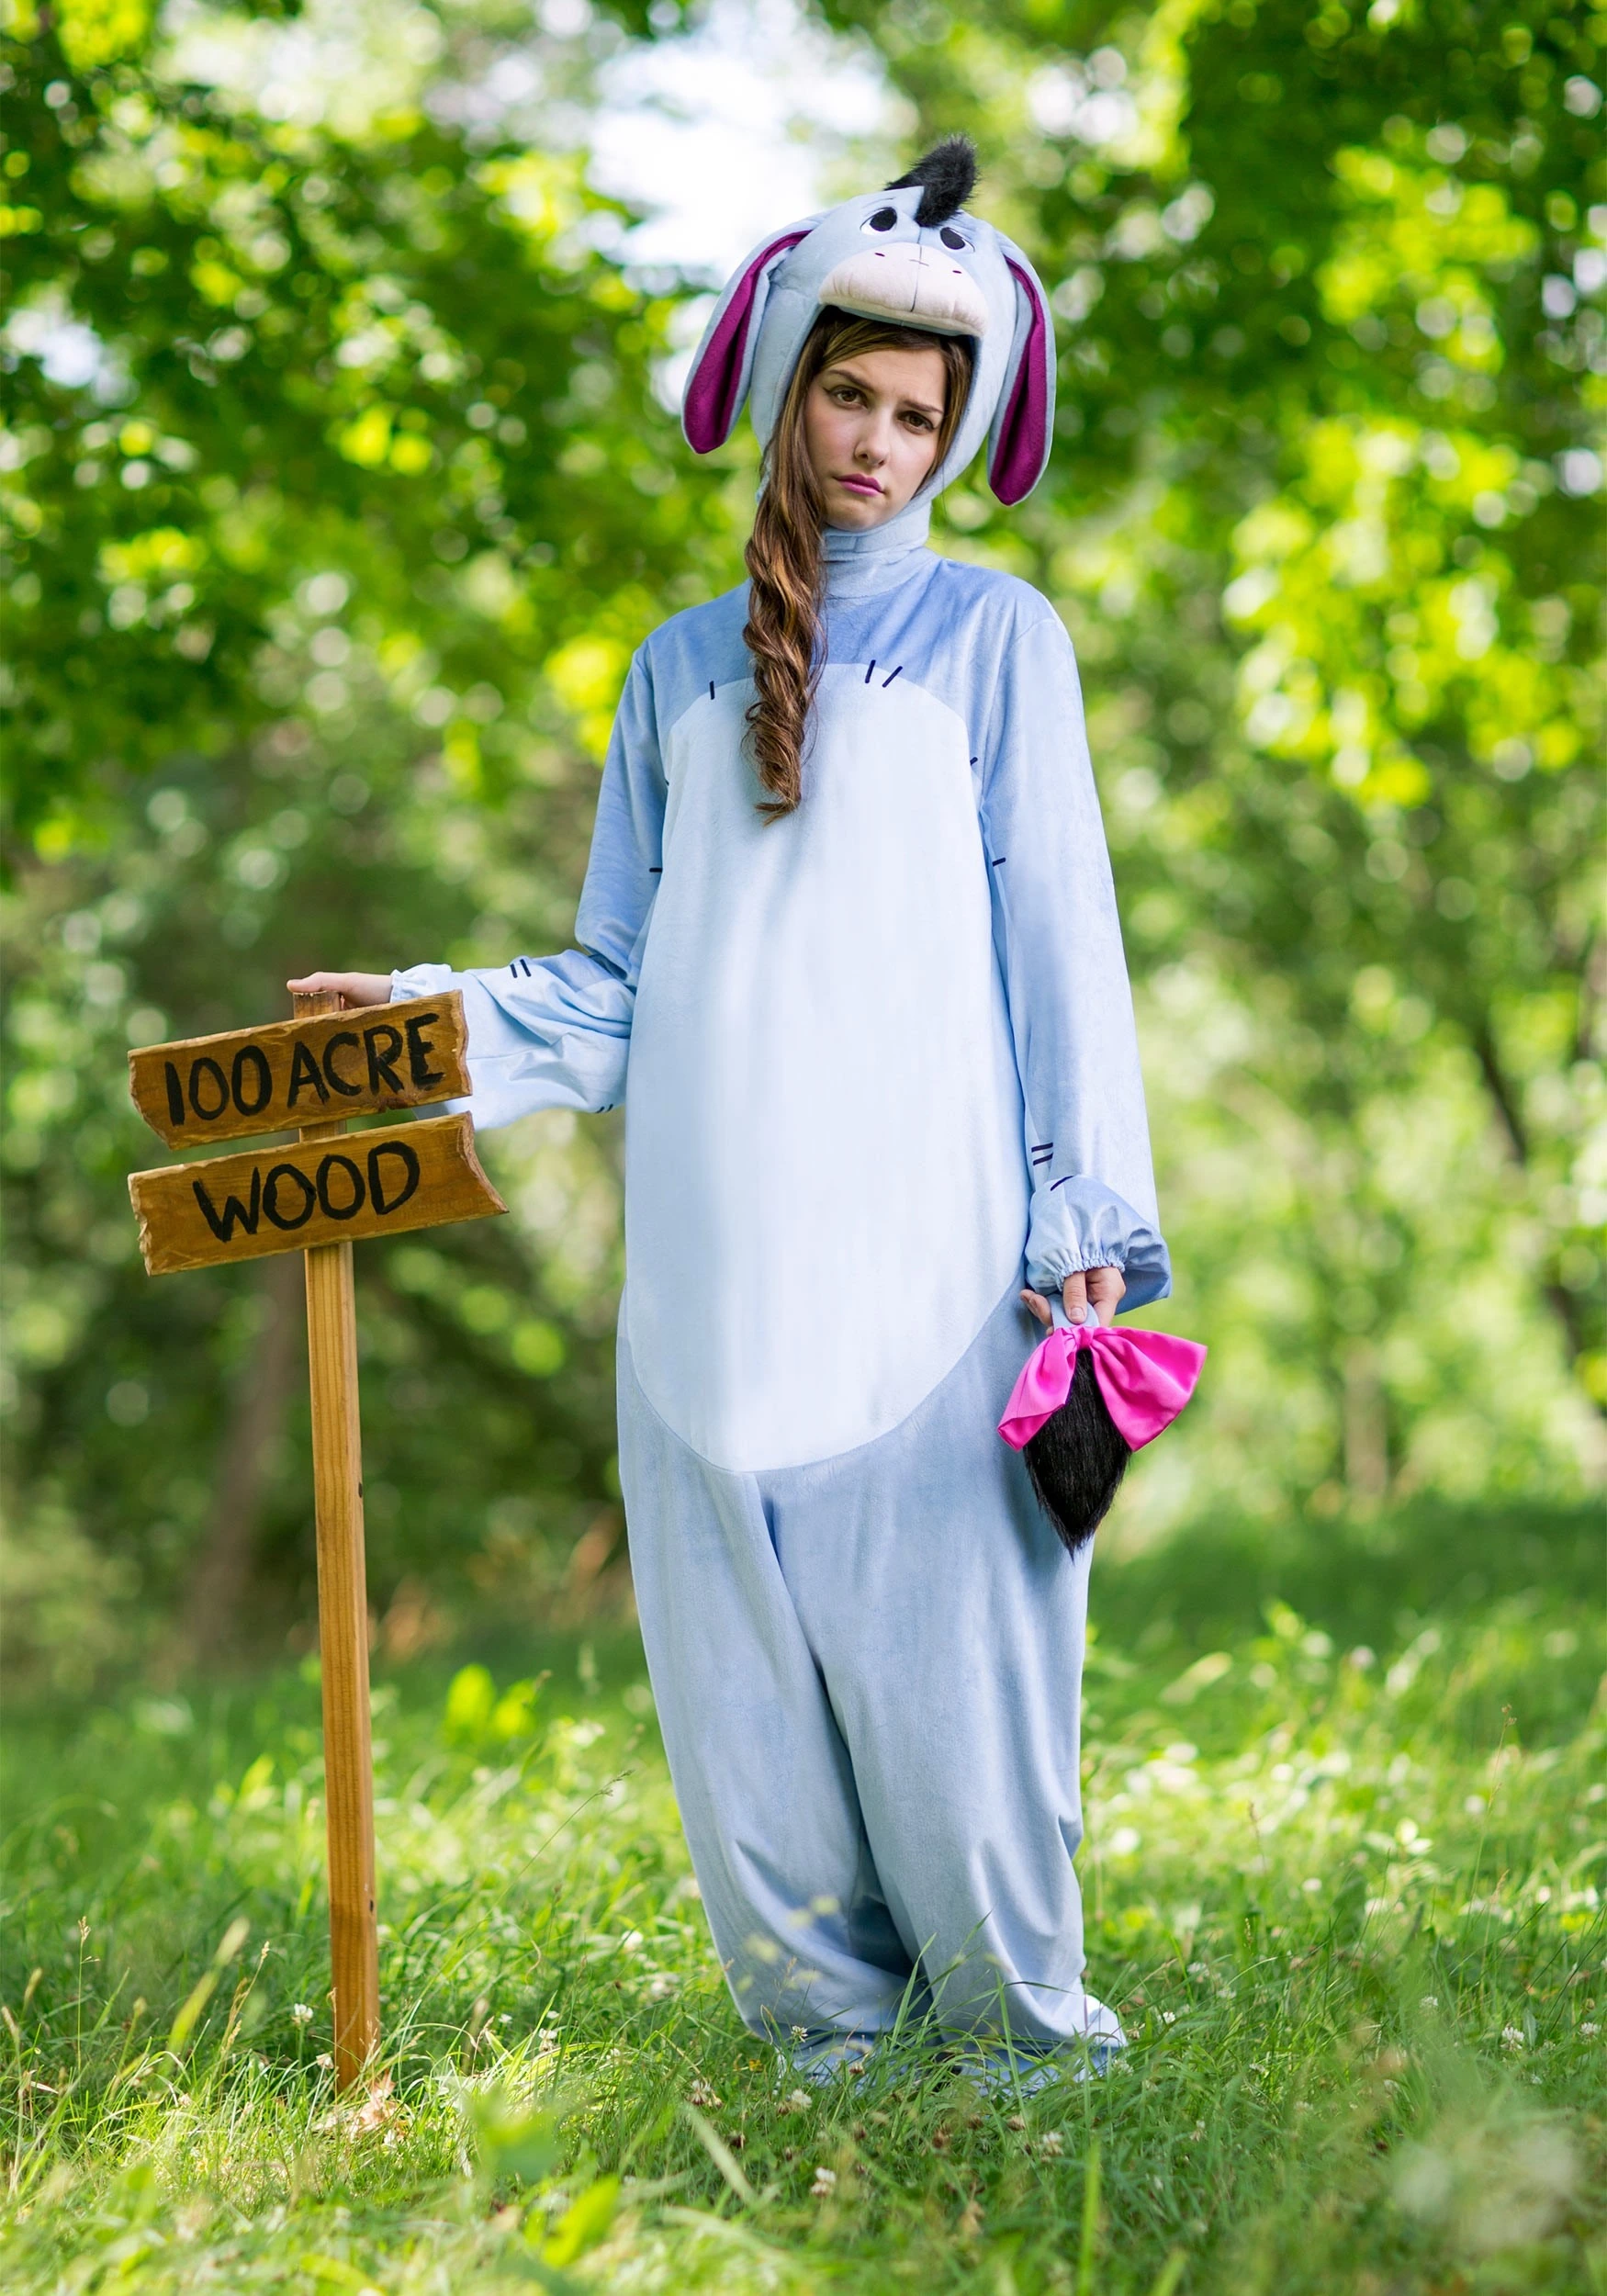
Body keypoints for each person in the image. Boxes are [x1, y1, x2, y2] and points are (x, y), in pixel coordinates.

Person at [292, 136, 1171, 2082]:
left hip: (940, 1279)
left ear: (957, 437)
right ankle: (826, 2068)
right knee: (747, 1740)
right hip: (705, 1300)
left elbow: (1061, 947)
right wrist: (428, 1024)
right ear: (787, 391)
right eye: (851, 397)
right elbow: (608, 991)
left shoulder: (996, 644)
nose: (878, 444)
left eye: (917, 416)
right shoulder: (674, 675)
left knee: (960, 1713)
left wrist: (1080, 1219)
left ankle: (1026, 2062)